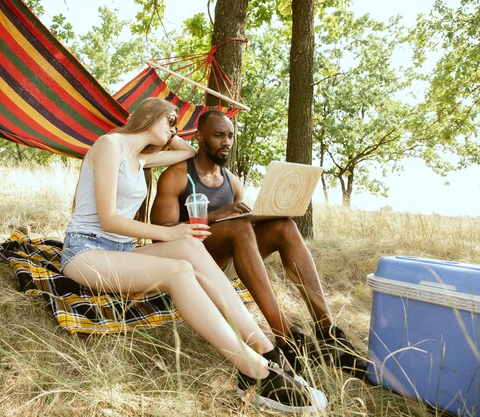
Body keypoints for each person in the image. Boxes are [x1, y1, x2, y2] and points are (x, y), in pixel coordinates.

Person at [60, 98, 327, 412]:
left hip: (121, 251)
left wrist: (169, 131)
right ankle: (256, 372)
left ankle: (267, 350)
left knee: (190, 247)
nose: (175, 128)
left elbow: (188, 151)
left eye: (176, 124)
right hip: (86, 251)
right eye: (170, 121)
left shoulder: (139, 159)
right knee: (179, 271)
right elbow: (108, 219)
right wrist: (172, 231)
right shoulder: (110, 145)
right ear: (149, 115)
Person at [150, 109, 368, 377]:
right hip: (194, 259)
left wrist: (263, 216)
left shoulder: (232, 182)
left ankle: (328, 332)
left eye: (230, 135)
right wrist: (214, 217)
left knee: (284, 227)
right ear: (200, 137)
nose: (226, 141)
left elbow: (243, 231)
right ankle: (286, 338)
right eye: (218, 135)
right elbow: (159, 232)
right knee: (238, 226)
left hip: (229, 261)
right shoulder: (178, 175)